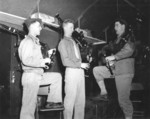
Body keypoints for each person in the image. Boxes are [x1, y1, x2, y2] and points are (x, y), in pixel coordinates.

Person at [18, 18, 63, 119]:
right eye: (39, 26)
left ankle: (52, 102)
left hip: (38, 75)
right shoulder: (28, 41)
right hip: (30, 76)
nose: (41, 28)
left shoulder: (35, 42)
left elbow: (36, 58)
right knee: (28, 109)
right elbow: (26, 60)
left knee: (56, 77)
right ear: (32, 26)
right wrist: (42, 62)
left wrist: (47, 55)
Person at [93, 18, 136, 119]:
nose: (114, 27)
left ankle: (129, 117)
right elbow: (107, 48)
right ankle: (104, 93)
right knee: (97, 70)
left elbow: (129, 50)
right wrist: (103, 53)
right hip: (116, 69)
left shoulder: (129, 37)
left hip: (125, 71)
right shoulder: (117, 40)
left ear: (123, 26)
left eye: (117, 25)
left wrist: (114, 57)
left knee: (123, 100)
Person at [58, 19, 89, 119]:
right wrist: (81, 64)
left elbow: (76, 57)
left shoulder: (74, 41)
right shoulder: (62, 43)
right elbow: (65, 61)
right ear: (65, 27)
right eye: (71, 27)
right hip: (71, 72)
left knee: (80, 101)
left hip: (80, 72)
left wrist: (85, 59)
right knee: (69, 102)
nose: (73, 29)